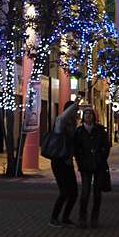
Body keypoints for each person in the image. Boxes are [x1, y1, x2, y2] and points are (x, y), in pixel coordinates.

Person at [74, 106, 110, 228]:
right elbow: (76, 149)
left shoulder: (100, 130)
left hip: (99, 165)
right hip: (85, 165)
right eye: (86, 114)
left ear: (94, 116)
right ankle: (82, 217)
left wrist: (102, 157)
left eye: (90, 114)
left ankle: (95, 218)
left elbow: (106, 146)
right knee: (85, 192)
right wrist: (80, 161)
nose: (88, 116)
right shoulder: (79, 131)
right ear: (83, 117)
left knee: (97, 193)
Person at [49, 96, 81, 227]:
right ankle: (54, 218)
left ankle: (65, 218)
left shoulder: (73, 126)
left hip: (67, 162)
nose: (76, 113)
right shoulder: (60, 123)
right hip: (58, 162)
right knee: (64, 192)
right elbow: (63, 117)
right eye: (74, 110)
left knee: (73, 193)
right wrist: (76, 103)